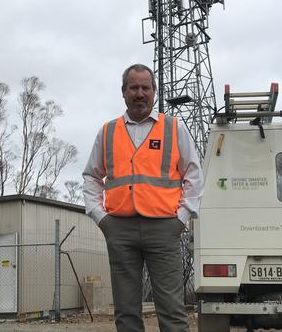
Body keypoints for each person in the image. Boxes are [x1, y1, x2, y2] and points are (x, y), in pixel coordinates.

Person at [83, 63, 204, 332]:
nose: (140, 93)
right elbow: (91, 177)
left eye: (145, 88)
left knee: (172, 312)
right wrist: (102, 219)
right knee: (126, 314)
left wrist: (181, 219)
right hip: (120, 229)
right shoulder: (107, 132)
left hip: (164, 228)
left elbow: (194, 175)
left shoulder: (173, 129)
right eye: (134, 87)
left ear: (154, 92)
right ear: (123, 92)